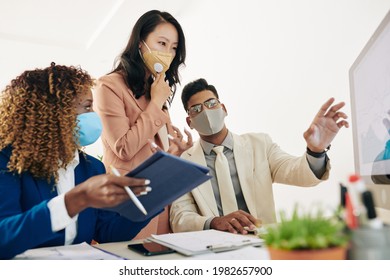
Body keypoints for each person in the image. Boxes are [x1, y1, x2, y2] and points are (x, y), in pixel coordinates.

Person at [0, 63, 154, 259]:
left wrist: (155, 196)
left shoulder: (92, 167)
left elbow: (109, 233)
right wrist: (74, 201)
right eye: (87, 107)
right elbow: (4, 238)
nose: (94, 116)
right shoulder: (7, 160)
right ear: (55, 113)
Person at [170, 78, 349, 234]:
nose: (206, 112)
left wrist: (315, 150)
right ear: (189, 122)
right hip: (212, 250)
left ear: (223, 108)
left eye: (211, 104)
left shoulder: (260, 144)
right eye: (196, 109)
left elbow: (296, 172)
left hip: (262, 243)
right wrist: (214, 222)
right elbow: (180, 218)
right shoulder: (184, 163)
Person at [93, 10, 192, 239]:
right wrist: (157, 101)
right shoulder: (108, 86)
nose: (167, 53)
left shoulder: (156, 89)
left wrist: (175, 151)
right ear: (140, 44)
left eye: (174, 47)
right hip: (127, 201)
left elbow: (152, 151)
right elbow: (124, 148)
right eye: (161, 43)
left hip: (160, 202)